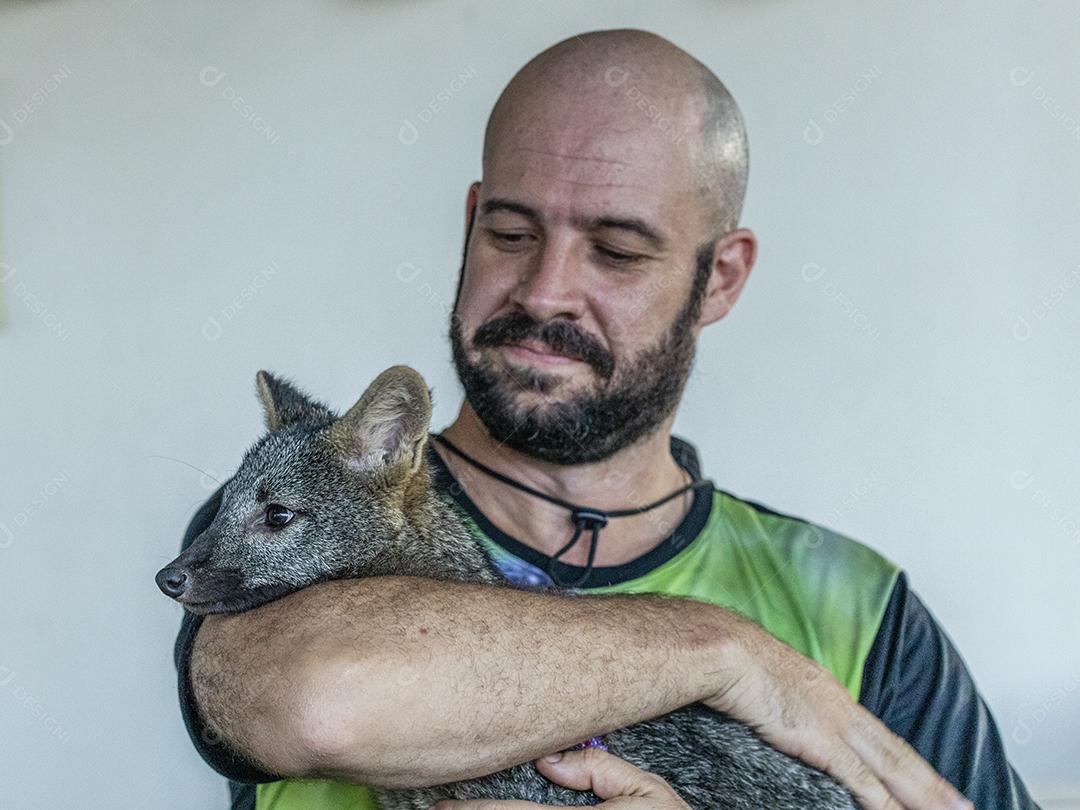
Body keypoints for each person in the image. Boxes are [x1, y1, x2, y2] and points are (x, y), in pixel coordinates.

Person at [171, 28, 1040, 810]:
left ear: (722, 276)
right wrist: (724, 652)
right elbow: (325, 702)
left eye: (618, 251)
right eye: (511, 234)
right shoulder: (294, 514)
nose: (545, 291)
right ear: (470, 225)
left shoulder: (861, 610)